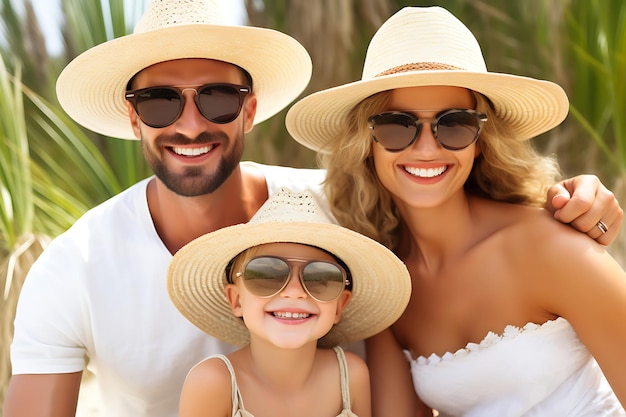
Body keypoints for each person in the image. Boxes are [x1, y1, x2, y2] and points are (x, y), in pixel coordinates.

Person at [3, 0, 622, 416]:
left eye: (218, 98)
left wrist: (575, 197)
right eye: (162, 103)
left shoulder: (340, 223)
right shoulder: (74, 266)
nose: (191, 123)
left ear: (249, 109)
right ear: (132, 116)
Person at [285, 6, 626, 417]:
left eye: (454, 124)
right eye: (397, 125)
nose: (427, 148)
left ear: (480, 139)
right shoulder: (391, 284)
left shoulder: (551, 247)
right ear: (367, 143)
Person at [167, 187, 411, 417]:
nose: (295, 292)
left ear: (339, 305)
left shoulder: (351, 375)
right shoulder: (213, 383)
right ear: (236, 299)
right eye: (267, 274)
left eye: (320, 277)